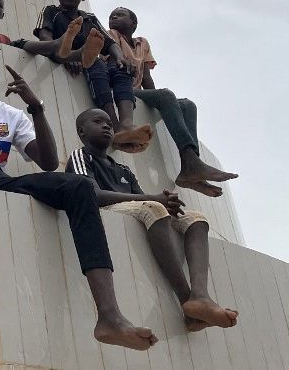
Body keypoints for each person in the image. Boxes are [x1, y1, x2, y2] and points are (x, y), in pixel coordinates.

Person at [0, 37, 158, 351]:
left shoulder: (11, 114)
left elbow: (48, 163)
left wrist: (37, 109)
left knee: (78, 186)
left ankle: (109, 315)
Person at [67, 108, 239, 331]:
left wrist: (168, 204)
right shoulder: (81, 156)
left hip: (136, 208)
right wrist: (154, 199)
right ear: (81, 131)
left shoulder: (123, 169)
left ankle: (200, 295)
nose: (107, 126)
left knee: (196, 219)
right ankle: (186, 300)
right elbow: (90, 194)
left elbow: (140, 198)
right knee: (154, 209)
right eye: (98, 121)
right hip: (104, 210)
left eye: (109, 122)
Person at [107, 7, 237, 196]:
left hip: (138, 92)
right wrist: (163, 97)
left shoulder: (142, 43)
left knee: (187, 105)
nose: (114, 18)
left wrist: (158, 102)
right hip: (120, 88)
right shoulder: (110, 35)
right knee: (166, 95)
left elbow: (147, 78)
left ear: (133, 23)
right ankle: (192, 165)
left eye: (120, 15)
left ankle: (190, 166)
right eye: (112, 16)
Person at [15, 0, 151, 151]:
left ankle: (126, 125)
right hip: (57, 54)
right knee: (95, 62)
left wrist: (120, 57)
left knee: (120, 67)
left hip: (87, 59)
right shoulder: (51, 11)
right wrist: (66, 57)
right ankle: (114, 125)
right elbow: (44, 38)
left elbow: (110, 44)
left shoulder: (90, 18)